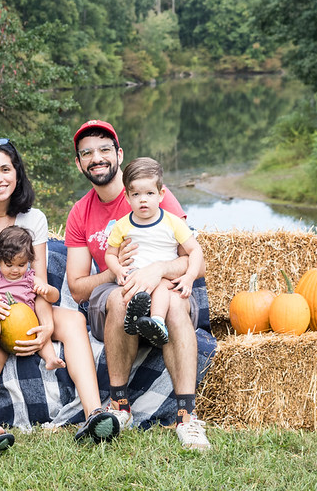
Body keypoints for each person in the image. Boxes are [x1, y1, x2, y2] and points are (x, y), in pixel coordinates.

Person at [0, 137, 120, 454]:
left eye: (5, 169)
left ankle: (94, 414)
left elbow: (37, 285)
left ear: (17, 173)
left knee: (74, 319)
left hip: (26, 309)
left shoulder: (33, 219)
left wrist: (47, 325)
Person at [64, 120, 211, 450]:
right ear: (78, 163)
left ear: (119, 154)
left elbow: (195, 261)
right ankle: (120, 407)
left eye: (104, 149)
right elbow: (76, 288)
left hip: (167, 286)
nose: (96, 158)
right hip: (116, 286)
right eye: (86, 153)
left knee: (171, 301)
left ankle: (187, 418)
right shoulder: (80, 212)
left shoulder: (155, 193)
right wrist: (118, 273)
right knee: (120, 297)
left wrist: (157, 269)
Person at [104, 157, 205, 348]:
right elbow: (110, 254)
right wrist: (117, 270)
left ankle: (157, 323)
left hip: (165, 277)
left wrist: (190, 277)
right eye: (136, 194)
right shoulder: (122, 225)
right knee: (127, 294)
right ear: (127, 197)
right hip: (135, 277)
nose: (143, 199)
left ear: (161, 194)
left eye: (150, 193)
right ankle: (135, 319)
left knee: (160, 289)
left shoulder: (172, 222)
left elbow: (195, 250)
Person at [0, 225, 66, 370]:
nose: (15, 270)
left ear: (29, 261)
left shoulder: (31, 279)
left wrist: (47, 290)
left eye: (21, 264)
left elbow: (54, 297)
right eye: (9, 264)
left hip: (28, 327)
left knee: (42, 338)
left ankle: (50, 359)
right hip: (2, 331)